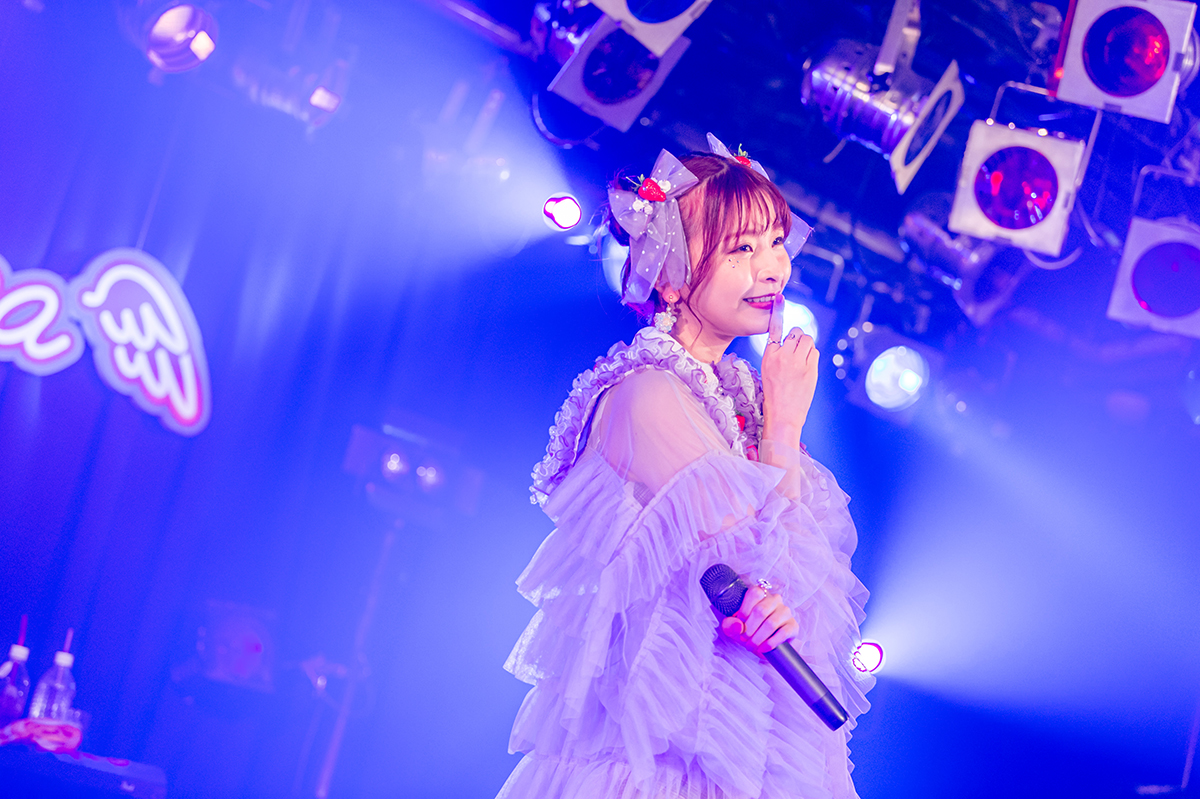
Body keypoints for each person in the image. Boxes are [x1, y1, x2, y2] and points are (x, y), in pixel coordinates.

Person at [497, 137, 872, 799]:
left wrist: (778, 423)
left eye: (775, 243)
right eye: (741, 249)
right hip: (662, 759)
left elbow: (805, 589)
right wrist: (785, 424)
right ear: (671, 275)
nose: (772, 269)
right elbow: (762, 571)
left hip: (742, 740)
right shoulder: (647, 393)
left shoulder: (733, 397)